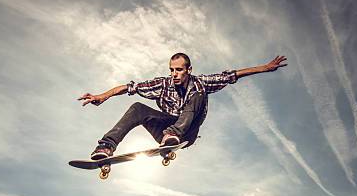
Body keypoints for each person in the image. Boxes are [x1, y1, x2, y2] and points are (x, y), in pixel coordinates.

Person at [78, 53, 287, 160]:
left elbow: (232, 75)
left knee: (199, 92)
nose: (174, 74)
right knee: (137, 107)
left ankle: (173, 135)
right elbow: (129, 87)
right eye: (171, 70)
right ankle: (106, 146)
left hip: (187, 132)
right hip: (164, 132)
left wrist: (265, 68)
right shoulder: (162, 84)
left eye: (178, 70)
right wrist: (103, 96)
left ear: (188, 69)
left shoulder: (200, 82)